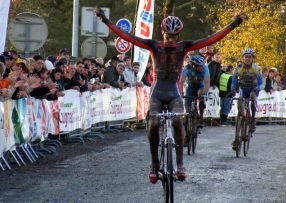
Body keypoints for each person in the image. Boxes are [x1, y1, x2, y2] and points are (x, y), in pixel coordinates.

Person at [95, 7, 246, 183]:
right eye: (168, 36)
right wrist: (106, 21)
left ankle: (180, 163)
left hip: (174, 92)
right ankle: (154, 164)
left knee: (177, 120)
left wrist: (234, 24)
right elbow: (128, 36)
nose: (171, 40)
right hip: (157, 92)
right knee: (152, 124)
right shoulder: (153, 45)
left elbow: (211, 38)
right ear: (163, 33)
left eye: (174, 36)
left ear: (179, 36)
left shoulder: (184, 47)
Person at [231, 48, 262, 150]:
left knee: (253, 100)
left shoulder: (256, 68)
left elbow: (261, 82)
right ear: (243, 58)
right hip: (243, 89)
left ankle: (252, 120)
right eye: (246, 57)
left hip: (253, 89)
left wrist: (258, 88)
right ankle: (236, 138)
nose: (247, 59)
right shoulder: (238, 68)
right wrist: (233, 88)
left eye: (249, 57)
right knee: (240, 110)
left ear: (253, 59)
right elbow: (234, 81)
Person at [181, 55, 210, 128]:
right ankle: (187, 116)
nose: (202, 67)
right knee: (187, 103)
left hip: (201, 86)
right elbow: (181, 82)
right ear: (194, 66)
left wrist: (204, 94)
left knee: (200, 96)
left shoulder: (205, 68)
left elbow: (207, 82)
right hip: (190, 86)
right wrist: (180, 93)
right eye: (200, 66)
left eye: (203, 65)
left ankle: (201, 117)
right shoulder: (187, 68)